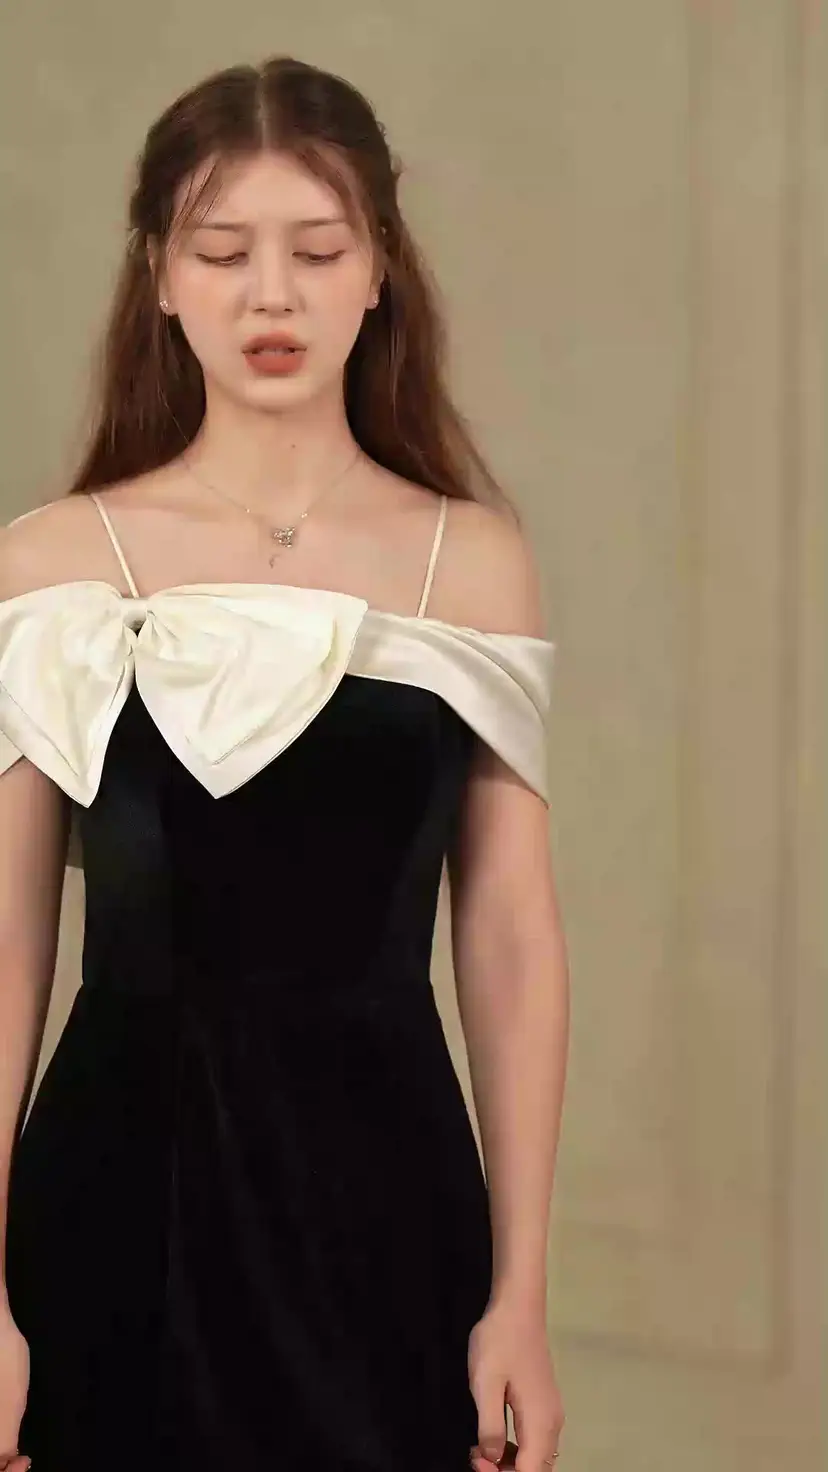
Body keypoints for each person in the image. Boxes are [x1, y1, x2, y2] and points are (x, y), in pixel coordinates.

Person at [0, 54, 569, 1472]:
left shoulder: (471, 561)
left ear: (377, 268)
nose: (272, 296)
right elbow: (7, 936)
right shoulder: (57, 561)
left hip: (387, 1206)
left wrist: (521, 1295)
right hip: (117, 1198)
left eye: (316, 252)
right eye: (222, 252)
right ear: (158, 273)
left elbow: (508, 935)